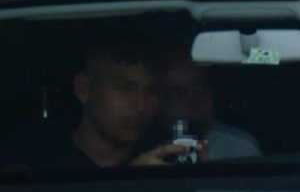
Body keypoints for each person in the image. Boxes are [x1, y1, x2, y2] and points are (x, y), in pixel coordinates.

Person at [3, 37, 202, 169]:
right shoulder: (34, 163)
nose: (141, 105)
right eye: (125, 88)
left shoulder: (166, 157)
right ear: (84, 89)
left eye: (151, 91)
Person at [153, 47, 261, 160]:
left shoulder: (239, 148)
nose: (194, 99)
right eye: (179, 93)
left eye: (199, 87)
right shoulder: (145, 148)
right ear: (161, 100)